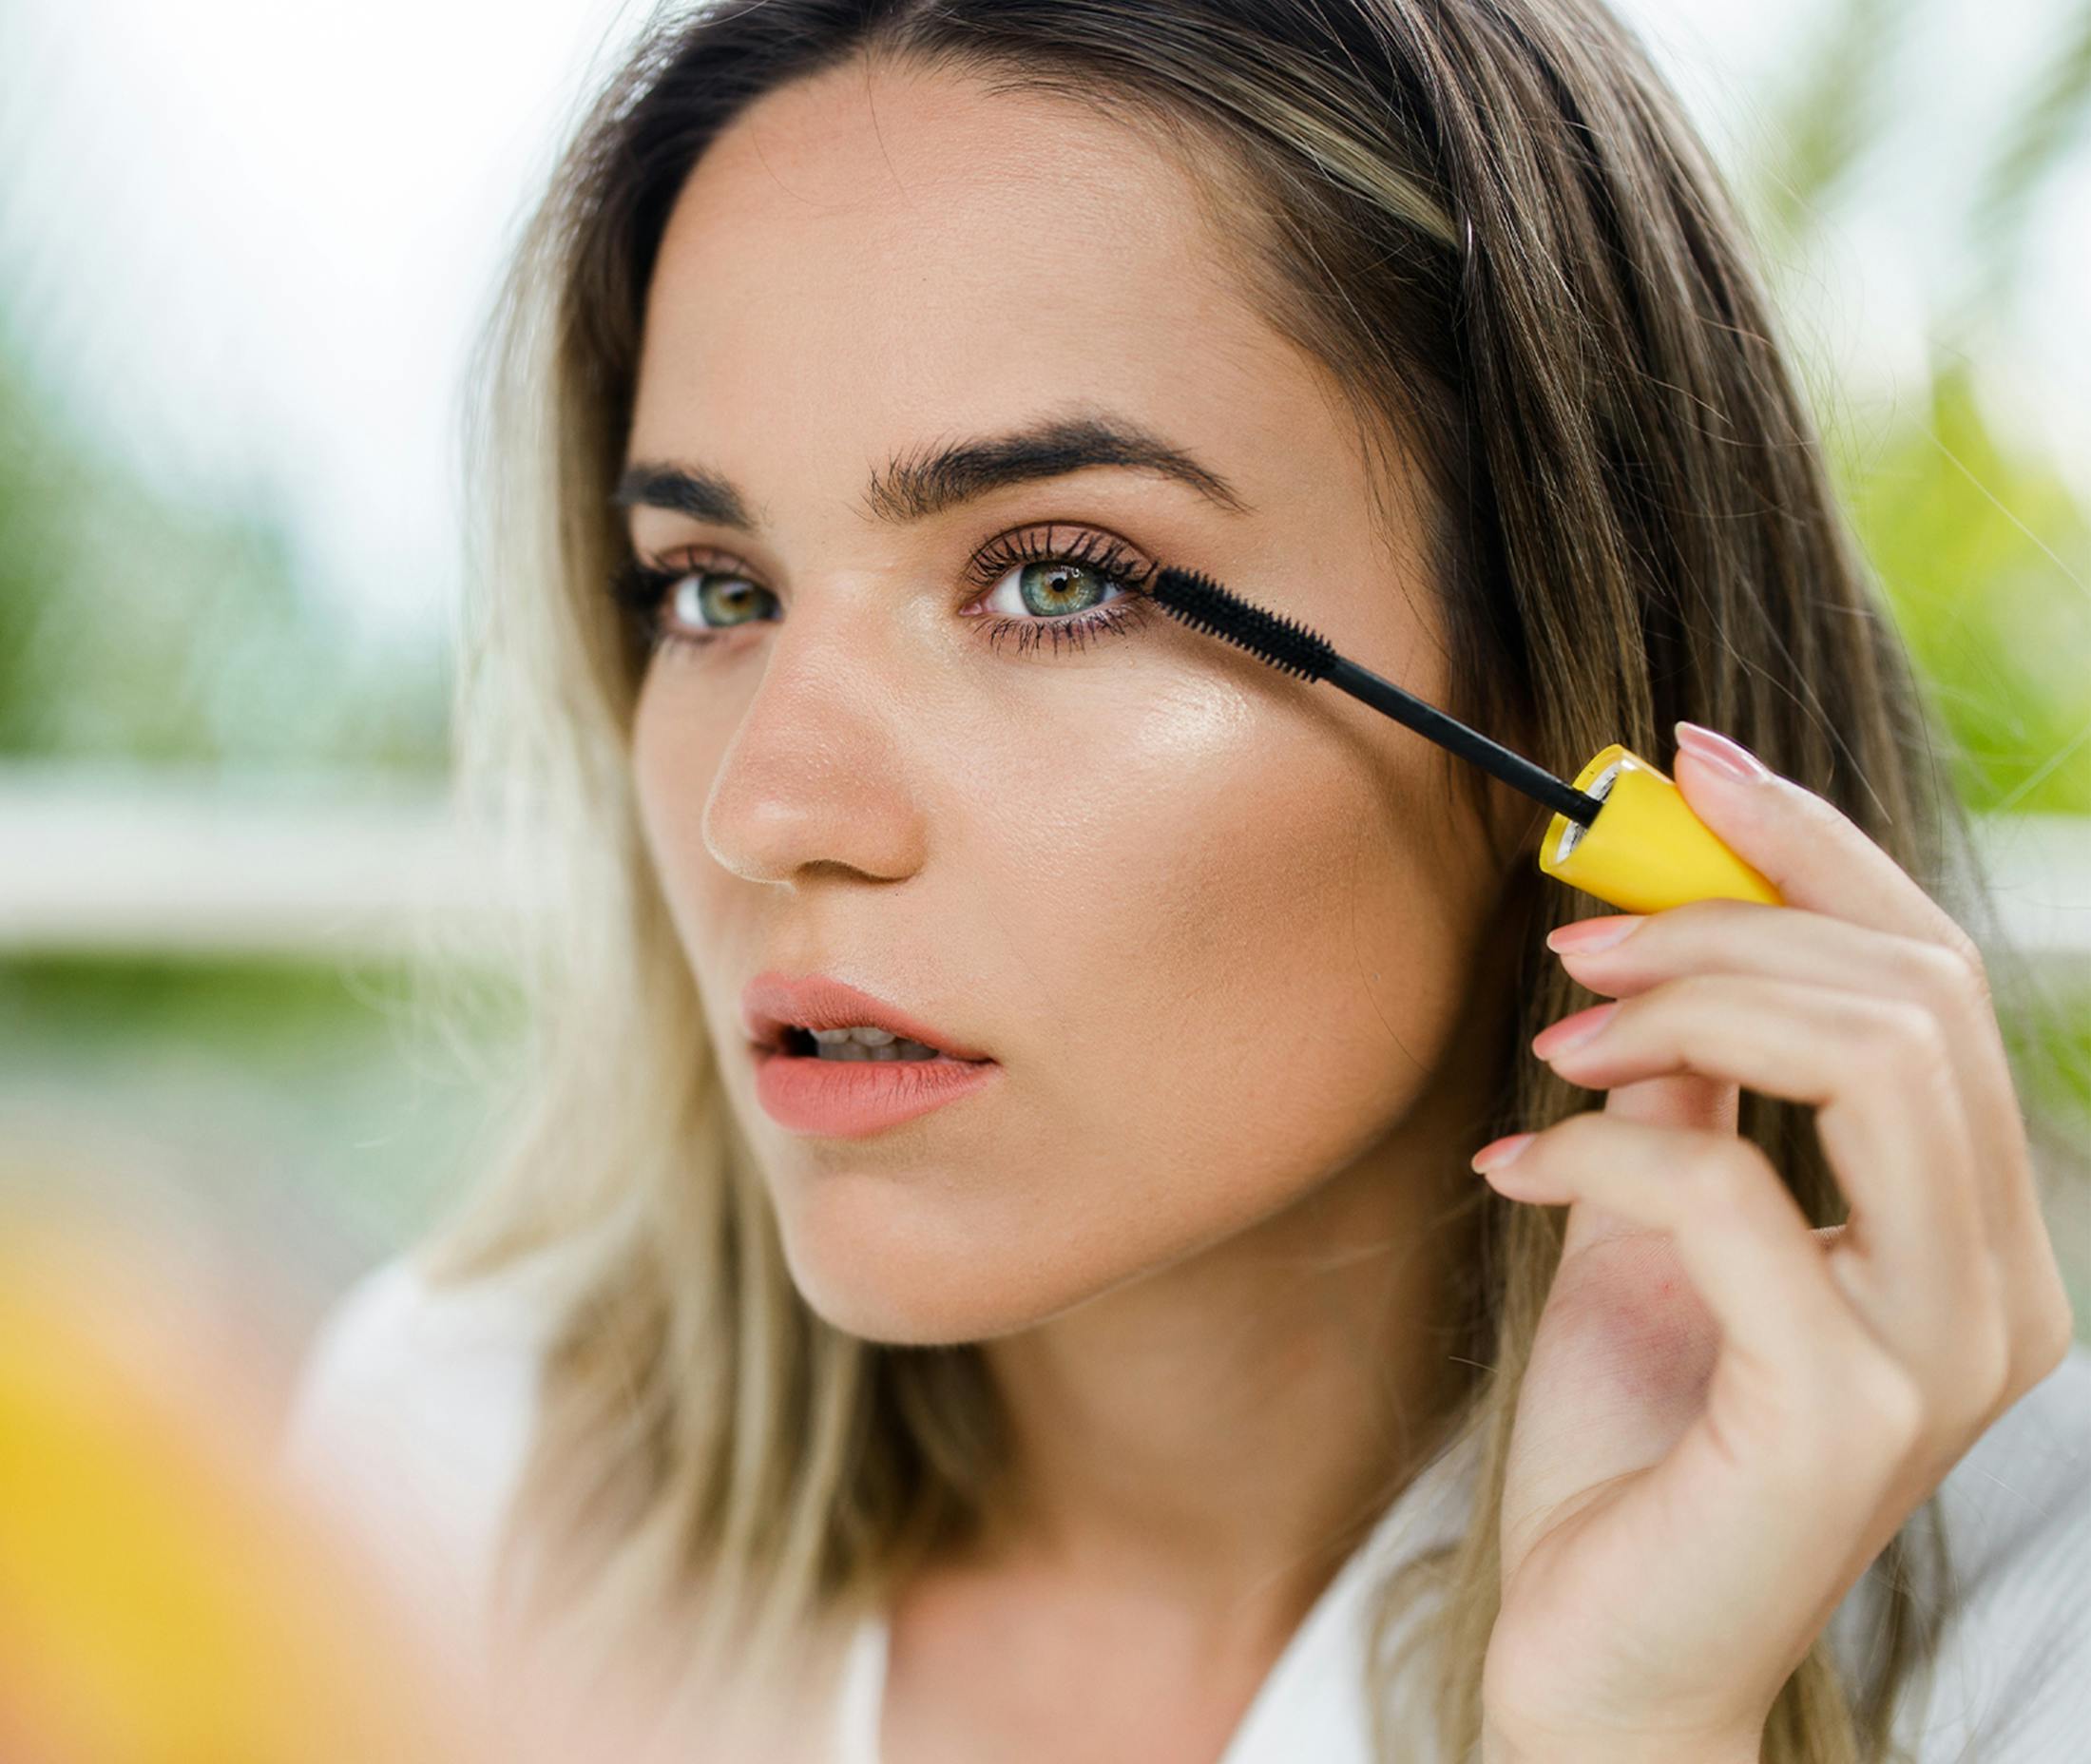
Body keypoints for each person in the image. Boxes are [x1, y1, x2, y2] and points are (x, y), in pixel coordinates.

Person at [281, 2, 2090, 1759]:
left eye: (1059, 579)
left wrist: (1630, 1734)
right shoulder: (444, 1471)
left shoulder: (2037, 1613)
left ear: (1564, 676)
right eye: (714, 590)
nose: (769, 811)